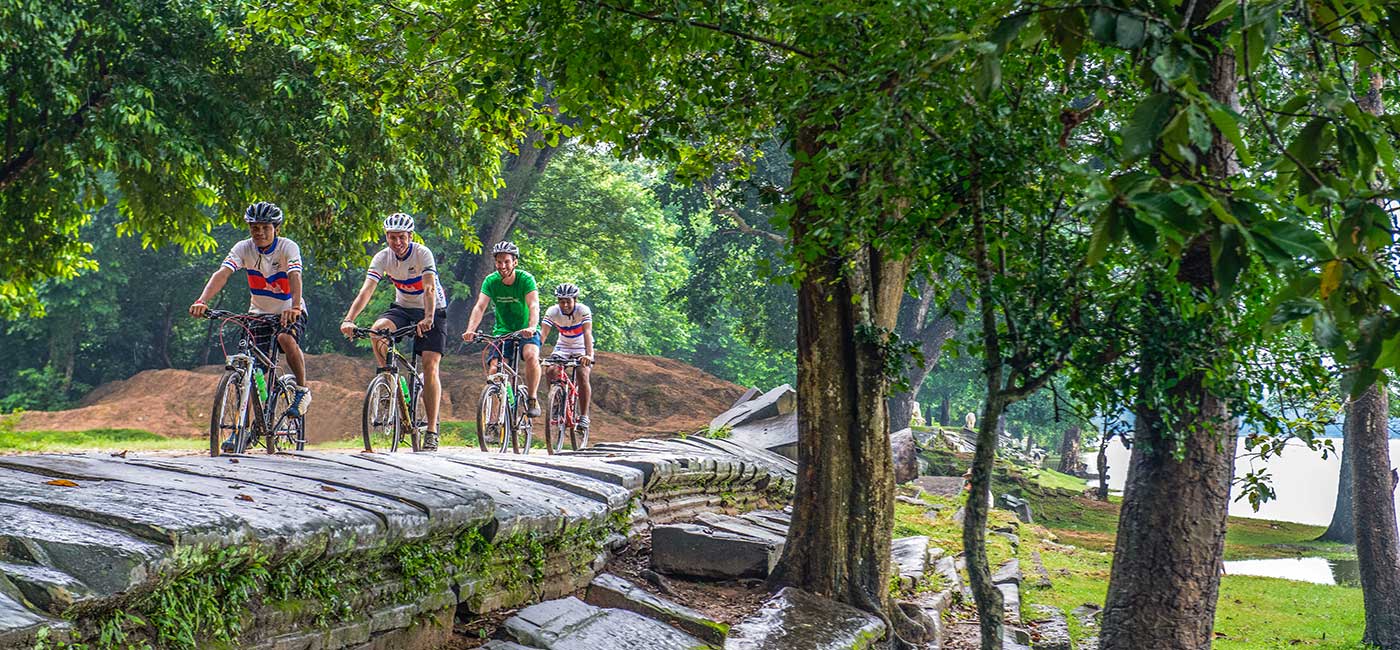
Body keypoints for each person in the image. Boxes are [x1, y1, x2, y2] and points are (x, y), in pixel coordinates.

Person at [189, 201, 311, 452]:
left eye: (265, 227)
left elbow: (295, 275)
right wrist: (202, 300)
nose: (259, 233)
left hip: (289, 310)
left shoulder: (288, 247)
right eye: (254, 227)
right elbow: (223, 273)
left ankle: (301, 390)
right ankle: (241, 429)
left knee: (286, 340)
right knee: (249, 368)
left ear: (275, 228)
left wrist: (295, 306)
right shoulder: (243, 248)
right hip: (258, 314)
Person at [339, 213, 449, 451]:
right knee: (377, 331)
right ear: (386, 237)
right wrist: (349, 319)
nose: (397, 242)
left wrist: (429, 318)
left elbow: (429, 288)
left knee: (430, 366)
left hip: (433, 310)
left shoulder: (422, 254)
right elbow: (367, 290)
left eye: (401, 237)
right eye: (392, 237)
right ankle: (388, 379)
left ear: (410, 236)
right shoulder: (383, 257)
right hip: (403, 308)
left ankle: (431, 430)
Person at [461, 241, 542, 417]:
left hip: (526, 329)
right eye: (499, 262)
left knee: (531, 355)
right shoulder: (491, 281)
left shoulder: (525, 279)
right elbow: (480, 307)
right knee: (495, 370)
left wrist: (532, 327)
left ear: (515, 262)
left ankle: (532, 398)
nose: (502, 266)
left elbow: (534, 304)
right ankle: (493, 420)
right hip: (502, 331)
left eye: (506, 261)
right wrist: (470, 330)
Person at [539, 283, 595, 436]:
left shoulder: (583, 311)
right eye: (561, 301)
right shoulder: (552, 312)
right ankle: (556, 404)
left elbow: (587, 333)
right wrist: (534, 352)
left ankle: (584, 416)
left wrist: (588, 355)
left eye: (568, 301)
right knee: (550, 370)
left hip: (581, 347)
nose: (565, 305)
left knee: (582, 374)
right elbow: (542, 334)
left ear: (575, 300)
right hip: (562, 346)